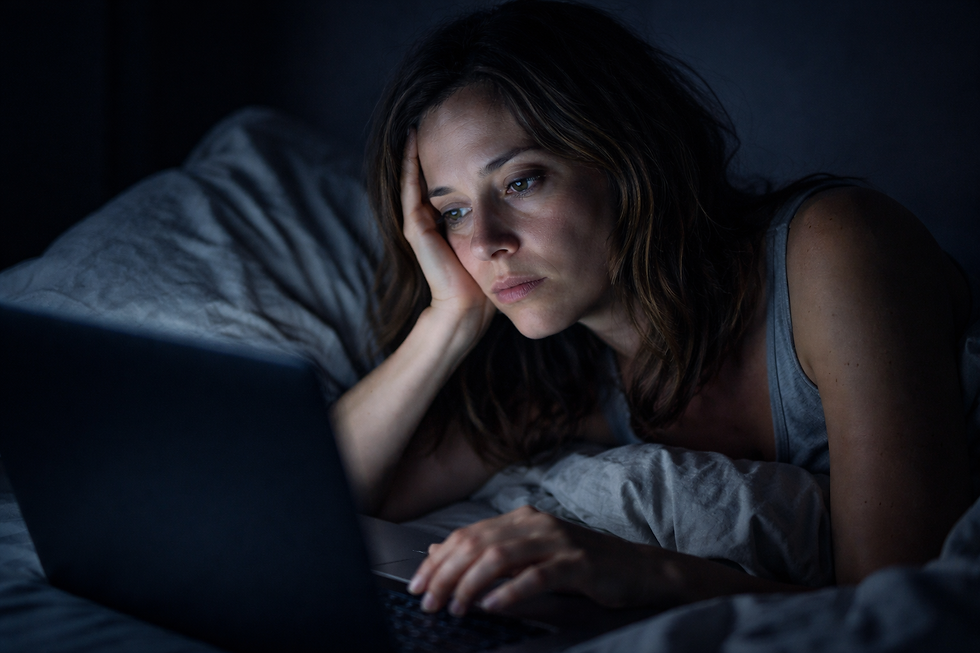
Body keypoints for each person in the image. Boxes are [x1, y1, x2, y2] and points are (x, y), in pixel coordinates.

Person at [330, 0, 979, 618]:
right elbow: (327, 496)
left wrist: (647, 573)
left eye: (521, 180)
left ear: (622, 157)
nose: (485, 242)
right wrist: (447, 318)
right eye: (453, 212)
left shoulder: (837, 247)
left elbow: (898, 609)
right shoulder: (566, 386)